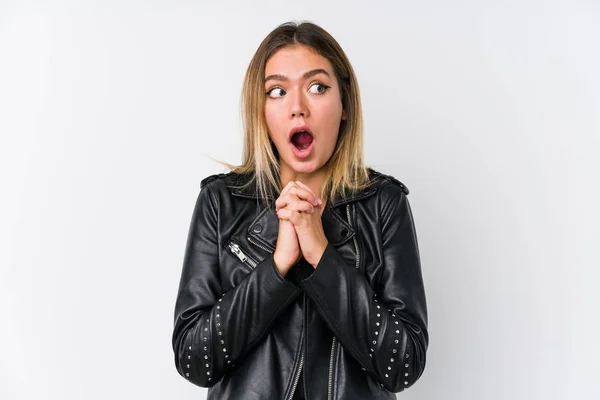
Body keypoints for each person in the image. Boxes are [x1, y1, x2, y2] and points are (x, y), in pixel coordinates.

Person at [171, 20, 428, 400]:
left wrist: (321, 255)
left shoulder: (384, 204)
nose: (297, 108)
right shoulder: (220, 203)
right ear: (261, 112)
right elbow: (194, 359)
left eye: (317, 87)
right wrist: (277, 268)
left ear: (344, 105)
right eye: (277, 91)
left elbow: (404, 364)